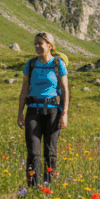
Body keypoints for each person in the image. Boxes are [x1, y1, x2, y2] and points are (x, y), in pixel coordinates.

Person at [17, 32, 68, 186]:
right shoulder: (31, 64)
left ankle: (49, 187)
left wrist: (64, 114)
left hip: (53, 111)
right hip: (33, 110)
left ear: (50, 45)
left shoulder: (59, 64)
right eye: (36, 44)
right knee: (33, 152)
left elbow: (65, 89)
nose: (37, 47)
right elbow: (24, 89)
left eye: (40, 43)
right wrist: (20, 113)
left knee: (50, 152)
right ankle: (32, 189)